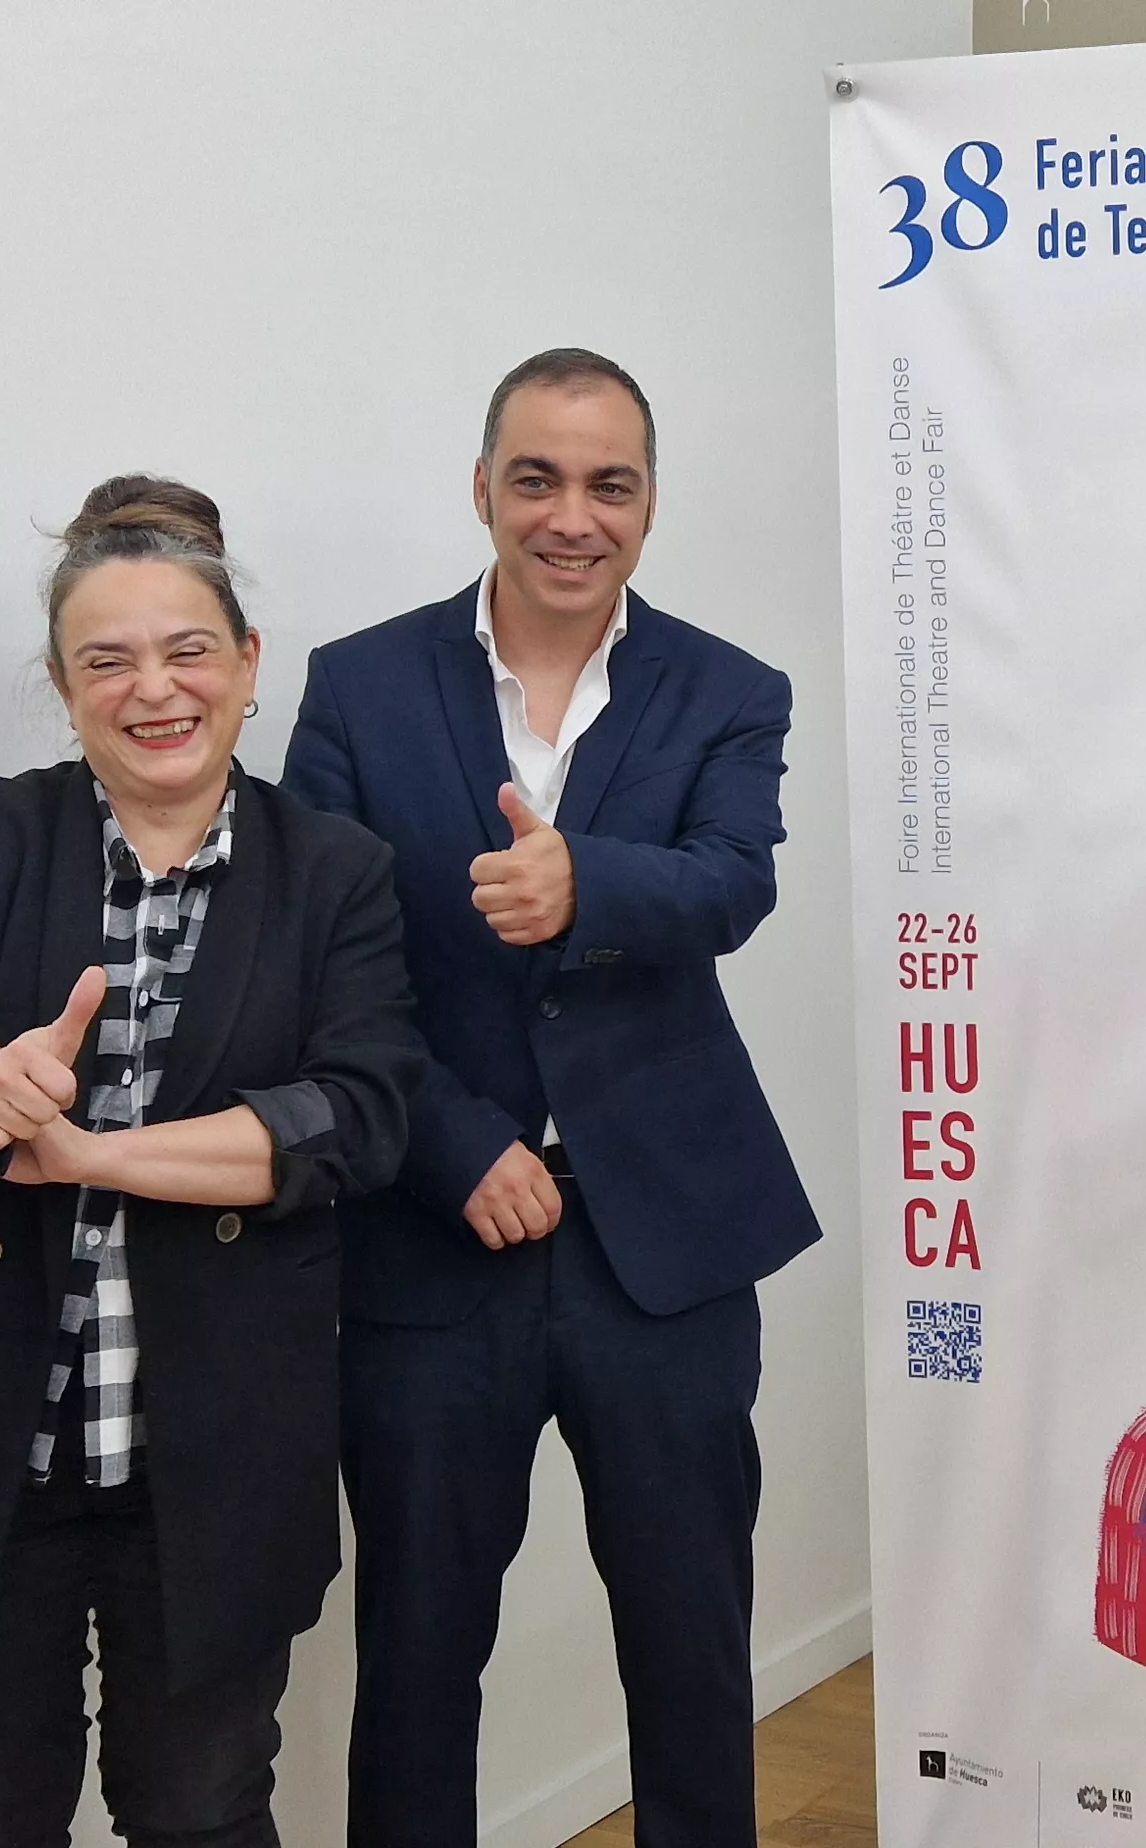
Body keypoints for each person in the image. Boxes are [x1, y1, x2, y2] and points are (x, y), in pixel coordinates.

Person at [0, 476, 426, 1847]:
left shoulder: (337, 873)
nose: (154, 690)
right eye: (105, 660)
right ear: (62, 688)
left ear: (250, 666)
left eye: (189, 650)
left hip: (214, 1451)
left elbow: (357, 1115)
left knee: (202, 1812)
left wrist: (90, 1154)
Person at [282, 349, 816, 1848]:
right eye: (537, 479)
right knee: (419, 1656)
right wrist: (456, 1146)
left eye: (608, 484)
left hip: (666, 1244)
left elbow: (732, 883)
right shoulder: (362, 684)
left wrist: (587, 882)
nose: (570, 517)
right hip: (436, 1240)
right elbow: (328, 965)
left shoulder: (730, 689)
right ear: (483, 490)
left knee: (694, 1642)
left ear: (648, 505)